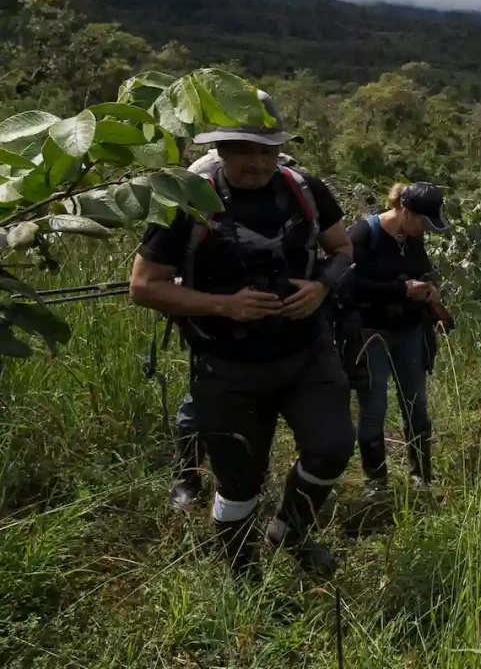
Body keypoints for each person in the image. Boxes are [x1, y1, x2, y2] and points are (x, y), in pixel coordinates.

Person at [128, 91, 356, 577]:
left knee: (333, 446)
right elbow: (143, 286)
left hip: (306, 352)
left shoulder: (305, 188)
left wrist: (321, 286)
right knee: (239, 482)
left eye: (268, 151)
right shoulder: (188, 201)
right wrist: (224, 306)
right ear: (222, 148)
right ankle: (241, 572)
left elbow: (342, 249)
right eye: (244, 149)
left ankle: (289, 530)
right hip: (225, 366)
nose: (257, 162)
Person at [348, 182, 451, 501]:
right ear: (404, 211)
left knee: (416, 405)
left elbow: (423, 272)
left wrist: (428, 291)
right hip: (371, 333)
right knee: (373, 407)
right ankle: (376, 480)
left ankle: (421, 475)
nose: (425, 230)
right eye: (423, 222)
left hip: (409, 331)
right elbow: (348, 286)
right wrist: (399, 290)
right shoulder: (363, 234)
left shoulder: (413, 238)